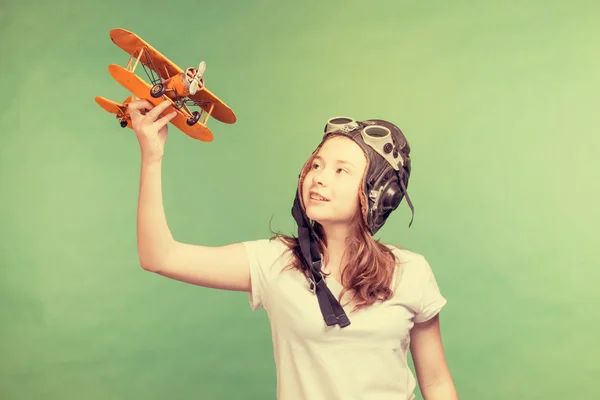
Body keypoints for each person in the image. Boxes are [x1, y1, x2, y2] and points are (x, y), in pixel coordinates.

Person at [128, 99, 459, 400]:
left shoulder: (410, 271)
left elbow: (435, 383)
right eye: (316, 165)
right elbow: (160, 257)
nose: (319, 178)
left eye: (340, 170)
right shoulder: (275, 262)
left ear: (378, 193)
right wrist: (152, 157)